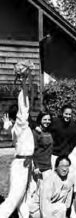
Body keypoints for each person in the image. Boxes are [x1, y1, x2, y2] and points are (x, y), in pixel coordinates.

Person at [0, 76, 35, 218]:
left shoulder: (16, 128)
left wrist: (7, 127)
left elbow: (11, 130)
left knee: (24, 199)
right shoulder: (21, 124)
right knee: (14, 198)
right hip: (21, 164)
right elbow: (23, 104)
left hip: (26, 163)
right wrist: (23, 85)